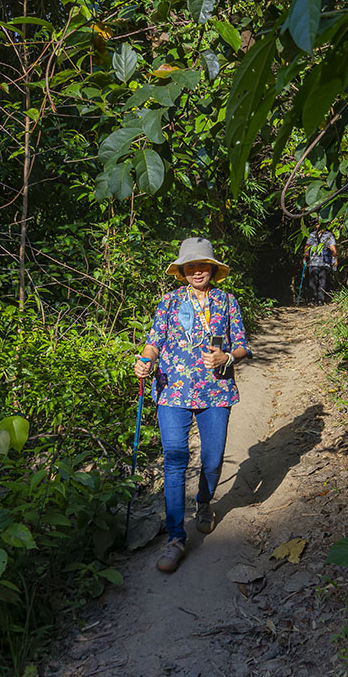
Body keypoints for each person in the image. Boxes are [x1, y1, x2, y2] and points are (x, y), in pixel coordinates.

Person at [133, 237, 251, 572]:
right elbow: (154, 342)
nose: (197, 271)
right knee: (174, 459)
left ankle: (203, 503)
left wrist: (227, 355)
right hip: (173, 392)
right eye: (190, 266)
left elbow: (243, 346)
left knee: (212, 459)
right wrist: (144, 362)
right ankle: (175, 538)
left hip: (216, 391)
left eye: (203, 265)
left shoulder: (227, 302)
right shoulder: (169, 303)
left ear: (212, 269)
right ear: (182, 271)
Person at [302, 220, 337, 304]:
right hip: (313, 261)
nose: (318, 225)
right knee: (313, 281)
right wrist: (305, 256)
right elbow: (307, 247)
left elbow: (333, 249)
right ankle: (314, 299)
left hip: (324, 262)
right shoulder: (312, 235)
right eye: (317, 224)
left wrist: (334, 259)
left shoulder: (329, 235)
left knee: (322, 282)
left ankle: (320, 299)